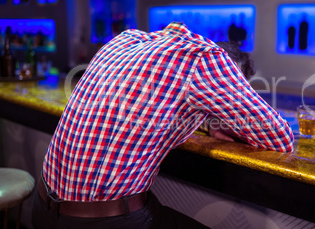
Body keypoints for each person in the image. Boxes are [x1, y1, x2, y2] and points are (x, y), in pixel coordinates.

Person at [32, 22, 294, 229]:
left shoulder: (124, 40)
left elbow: (151, 105)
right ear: (234, 74)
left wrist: (209, 124)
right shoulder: (208, 60)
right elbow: (280, 138)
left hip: (41, 207)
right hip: (102, 222)